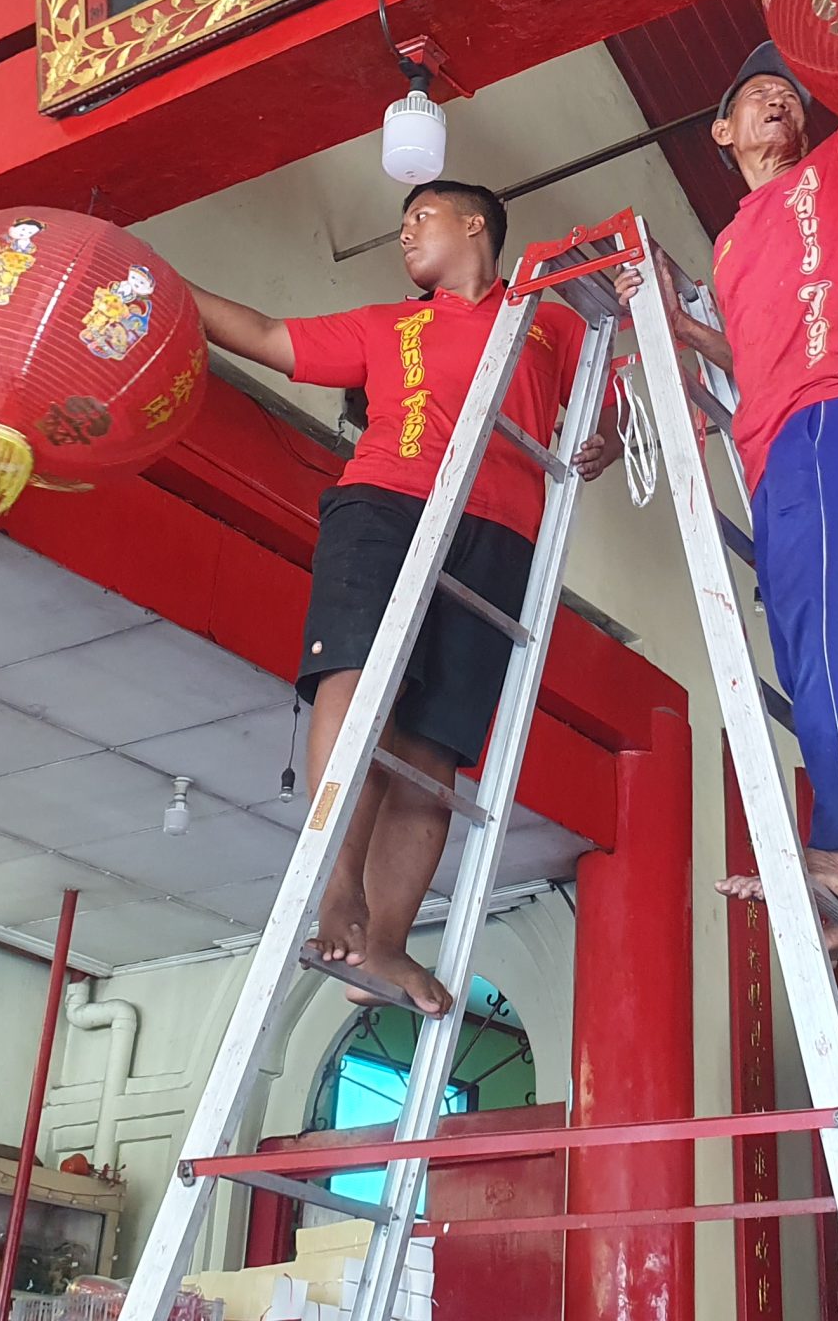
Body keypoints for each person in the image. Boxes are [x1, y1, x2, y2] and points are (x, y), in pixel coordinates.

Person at [192, 180, 613, 1013]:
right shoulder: (391, 325)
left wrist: (603, 435)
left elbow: (613, 406)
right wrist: (164, 287)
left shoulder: (548, 320)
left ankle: (382, 945)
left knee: (433, 753)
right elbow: (272, 336)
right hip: (386, 504)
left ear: (474, 224)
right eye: (400, 224)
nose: (405, 235)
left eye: (420, 217)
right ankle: (337, 887)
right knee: (357, 690)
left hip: (500, 533)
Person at [622, 44, 838, 947]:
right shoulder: (727, 246)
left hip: (833, 409)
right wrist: (685, 329)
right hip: (772, 442)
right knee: (804, 655)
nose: (778, 104)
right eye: (757, 96)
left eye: (789, 97)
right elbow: (752, 357)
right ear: (722, 131)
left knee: (829, 633)